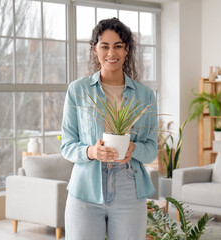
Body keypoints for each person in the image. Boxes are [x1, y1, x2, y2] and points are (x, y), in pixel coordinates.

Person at [60, 17, 158, 240]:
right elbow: (67, 145)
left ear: (127, 50)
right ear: (95, 50)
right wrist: (91, 152)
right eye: (104, 46)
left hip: (129, 188)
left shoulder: (145, 95)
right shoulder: (78, 90)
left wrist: (133, 149)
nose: (111, 53)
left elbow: (152, 149)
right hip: (85, 188)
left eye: (118, 46)